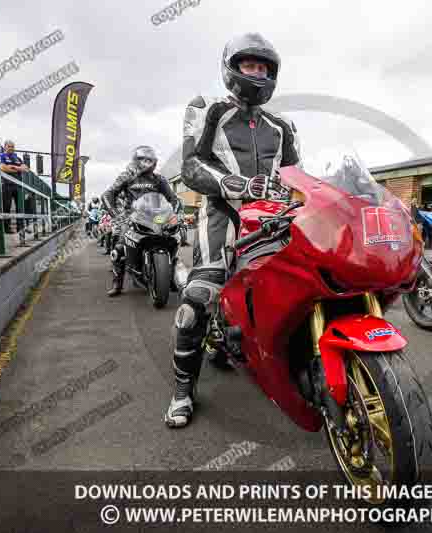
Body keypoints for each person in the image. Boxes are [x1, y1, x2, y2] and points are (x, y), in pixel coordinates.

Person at [165, 32, 300, 429]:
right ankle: (182, 390)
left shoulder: (283, 126)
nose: (256, 73)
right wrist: (234, 186)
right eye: (249, 65)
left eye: (263, 67)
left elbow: (296, 175)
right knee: (197, 300)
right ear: (232, 69)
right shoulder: (207, 108)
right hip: (223, 214)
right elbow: (190, 166)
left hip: (275, 217)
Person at [101, 146, 181, 297]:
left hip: (157, 217)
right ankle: (117, 283)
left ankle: (169, 277)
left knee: (172, 239)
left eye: (150, 160)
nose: (147, 163)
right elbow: (107, 194)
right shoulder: (126, 177)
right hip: (130, 217)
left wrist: (175, 213)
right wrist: (116, 215)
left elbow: (173, 199)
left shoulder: (159, 179)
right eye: (144, 160)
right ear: (136, 161)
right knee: (119, 249)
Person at [0, 140, 29, 234]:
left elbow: (26, 169)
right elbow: (3, 168)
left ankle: (21, 228)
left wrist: (12, 167)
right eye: (9, 146)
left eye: (12, 146)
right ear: (5, 147)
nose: (11, 148)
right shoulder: (0, 156)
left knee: (20, 207)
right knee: (6, 207)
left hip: (18, 186)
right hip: (6, 185)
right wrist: (19, 169)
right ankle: (7, 229)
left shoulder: (17, 158)